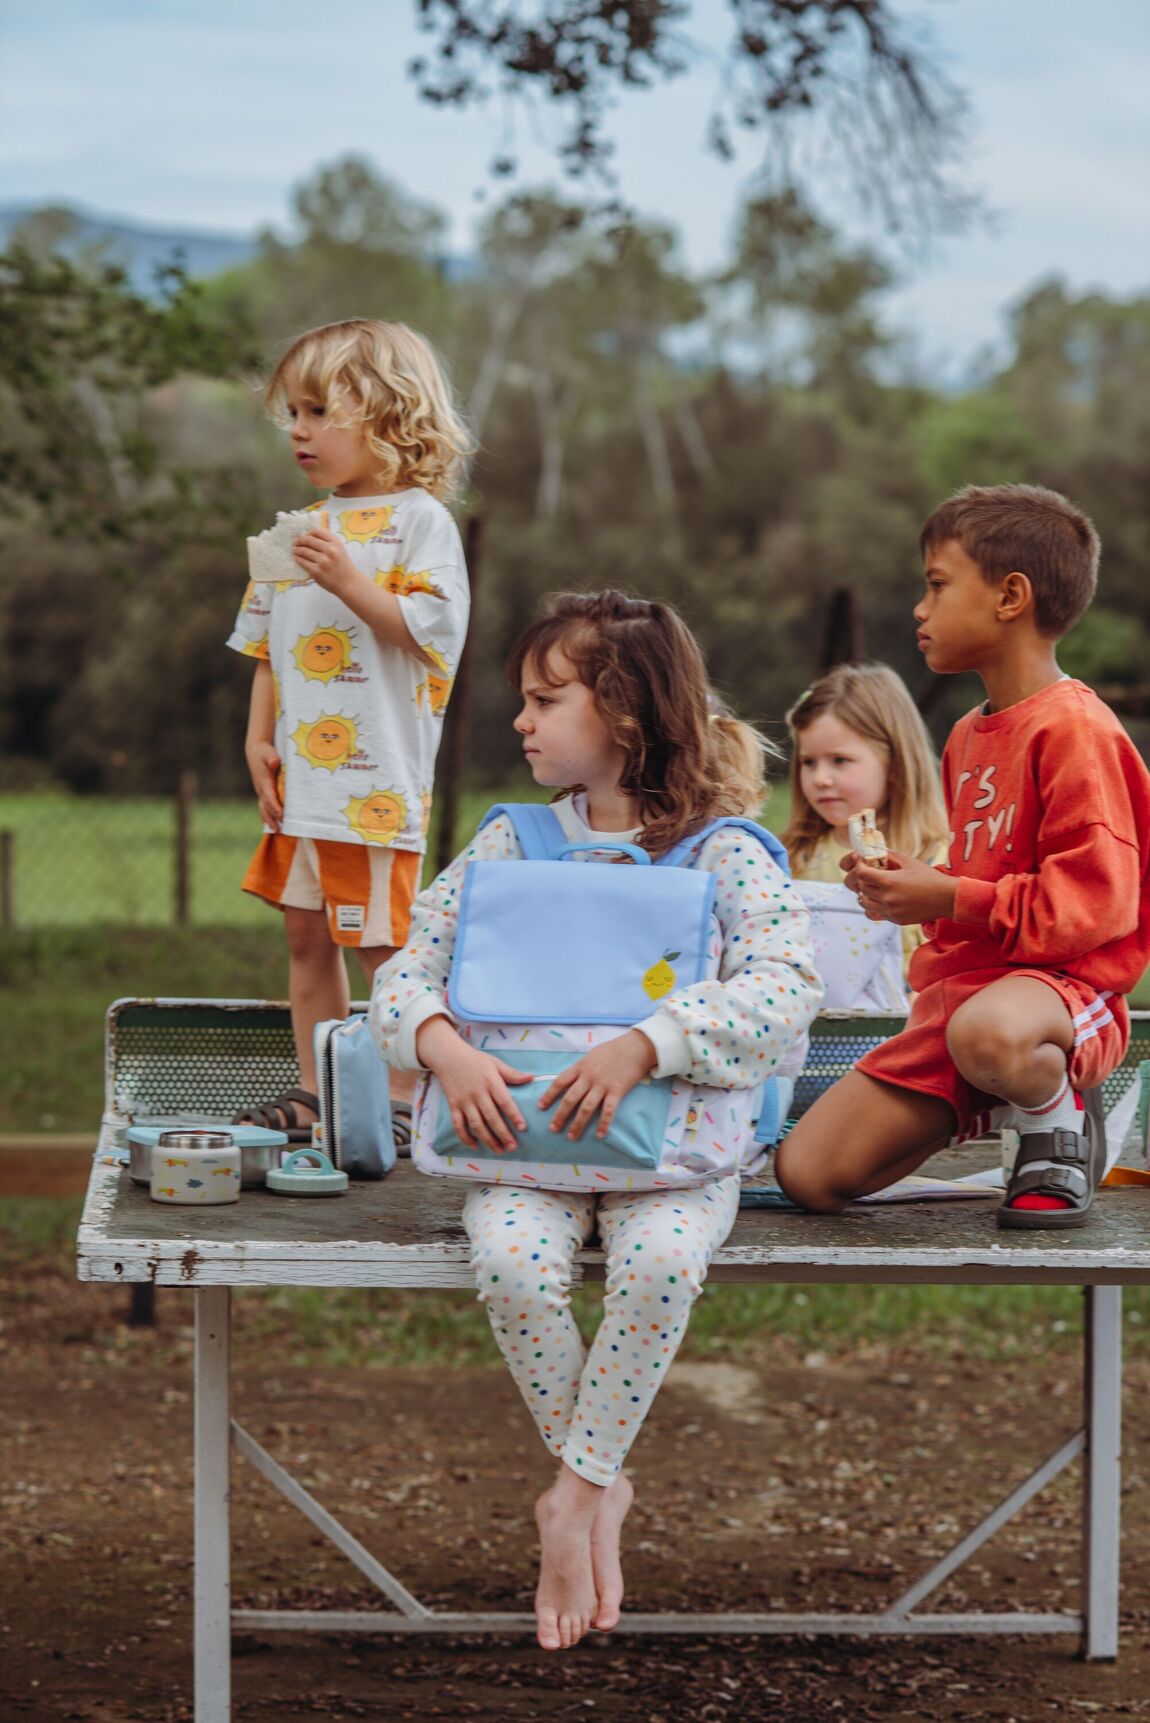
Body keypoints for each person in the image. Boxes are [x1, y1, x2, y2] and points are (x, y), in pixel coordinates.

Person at [369, 591, 821, 1650]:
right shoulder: (507, 842)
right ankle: (601, 1481)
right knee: (517, 1266)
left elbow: (784, 988)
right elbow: (401, 978)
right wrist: (441, 1042)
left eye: (544, 699)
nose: (520, 722)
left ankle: (571, 1495)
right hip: (522, 1148)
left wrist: (645, 1044)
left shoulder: (724, 852)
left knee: (661, 1263)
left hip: (673, 1157)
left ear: (622, 710)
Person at [776, 483, 1150, 1229]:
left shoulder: (1074, 729)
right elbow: (984, 882)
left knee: (989, 1031)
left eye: (937, 585)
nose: (920, 607)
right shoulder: (967, 737)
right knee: (808, 1174)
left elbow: (1097, 904)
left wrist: (948, 898)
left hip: (1058, 998)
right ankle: (986, 1094)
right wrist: (913, 891)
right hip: (962, 1010)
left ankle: (1053, 1116)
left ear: (1010, 596)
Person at [228, 318, 471, 1138]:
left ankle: (402, 1099)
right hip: (302, 783)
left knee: (379, 947)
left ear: (391, 415)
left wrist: (351, 580)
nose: (297, 430)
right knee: (305, 935)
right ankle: (315, 1089)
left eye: (318, 411)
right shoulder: (297, 526)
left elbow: (431, 631)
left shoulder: (420, 523)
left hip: (372, 788)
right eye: (291, 413)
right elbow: (267, 646)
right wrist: (258, 737)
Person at [783, 662, 949, 980]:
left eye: (840, 760)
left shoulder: (938, 858)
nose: (820, 778)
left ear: (896, 764)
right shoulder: (792, 858)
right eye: (808, 762)